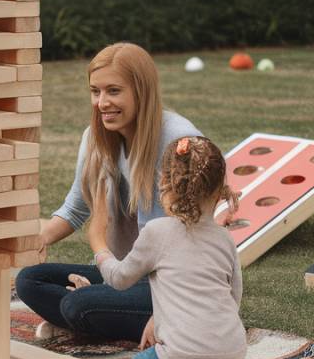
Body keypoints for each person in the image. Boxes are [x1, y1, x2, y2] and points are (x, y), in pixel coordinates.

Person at [15, 42, 201, 342]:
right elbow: (76, 208)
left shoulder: (178, 140)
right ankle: (101, 317)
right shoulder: (95, 138)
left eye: (113, 91)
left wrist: (163, 308)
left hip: (170, 282)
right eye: (95, 91)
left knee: (77, 303)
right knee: (29, 280)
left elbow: (195, 235)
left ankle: (152, 325)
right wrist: (40, 238)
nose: (102, 102)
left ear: (141, 91)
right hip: (121, 272)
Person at [89, 135, 247, 359]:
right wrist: (157, 319)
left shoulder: (157, 232)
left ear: (165, 185)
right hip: (231, 354)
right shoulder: (225, 238)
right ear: (217, 190)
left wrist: (99, 244)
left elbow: (119, 279)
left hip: (182, 357)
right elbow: (232, 298)